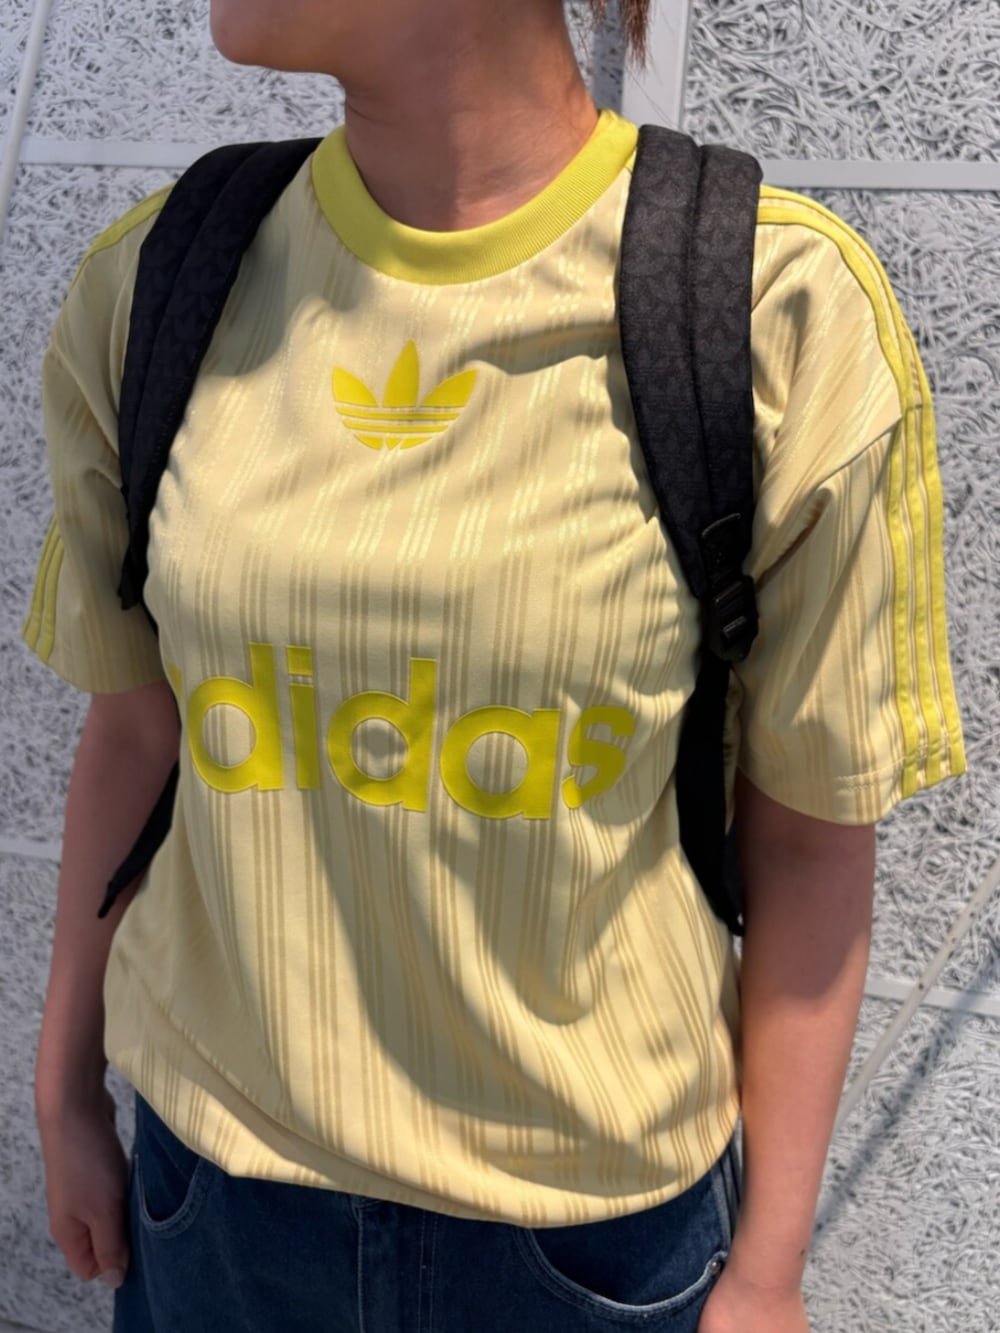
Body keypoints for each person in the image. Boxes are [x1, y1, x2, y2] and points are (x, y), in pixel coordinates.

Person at [25, 1, 966, 1330]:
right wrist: (64, 1085)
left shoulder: (772, 309)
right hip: (216, 1202)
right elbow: (136, 730)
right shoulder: (159, 283)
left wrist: (767, 1269)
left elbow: (811, 839)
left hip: (585, 1246)